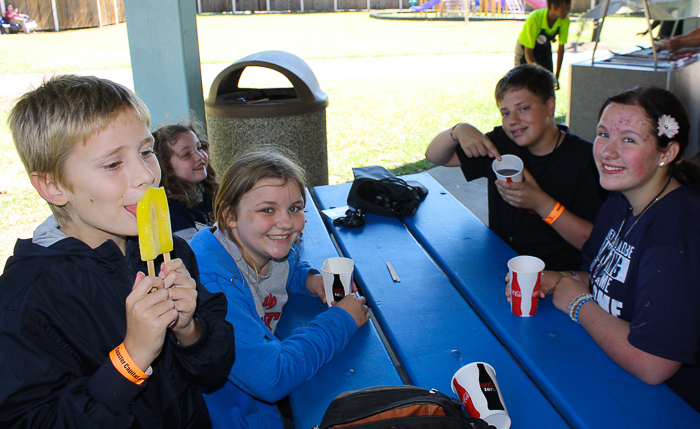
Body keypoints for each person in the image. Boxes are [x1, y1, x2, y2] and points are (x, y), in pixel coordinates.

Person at [0, 75, 236, 427]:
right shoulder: (26, 302)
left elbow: (213, 373)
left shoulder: (170, 255)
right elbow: (33, 419)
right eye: (113, 164)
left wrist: (189, 329)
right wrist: (132, 358)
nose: (146, 175)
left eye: (145, 152)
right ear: (52, 184)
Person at [528, 87, 700, 412]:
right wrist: (560, 277)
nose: (606, 151)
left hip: (671, 404)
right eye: (603, 134)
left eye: (629, 139)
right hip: (611, 370)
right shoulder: (622, 199)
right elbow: (614, 276)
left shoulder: (674, 237)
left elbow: (654, 365)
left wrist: (579, 303)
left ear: (667, 152)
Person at [189, 150, 370, 428]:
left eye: (295, 208)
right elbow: (272, 378)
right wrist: (342, 320)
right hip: (232, 414)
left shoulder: (264, 246)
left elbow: (288, 264)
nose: (286, 223)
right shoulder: (212, 285)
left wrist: (309, 279)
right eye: (267, 210)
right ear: (230, 215)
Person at [426, 64, 606, 271]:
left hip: (555, 275)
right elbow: (436, 156)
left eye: (523, 108)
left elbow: (594, 244)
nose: (513, 121)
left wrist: (540, 203)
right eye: (505, 113)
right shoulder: (500, 145)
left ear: (550, 107)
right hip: (500, 262)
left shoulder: (586, 160)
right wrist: (458, 130)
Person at [153, 119, 217, 241]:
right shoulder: (171, 211)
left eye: (199, 148)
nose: (199, 156)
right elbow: (194, 252)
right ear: (166, 167)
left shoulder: (208, 190)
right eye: (186, 154)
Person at [514, 0, 572, 89]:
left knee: (547, 84)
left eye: (569, 8)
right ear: (554, 7)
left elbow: (561, 49)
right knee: (523, 83)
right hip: (525, 51)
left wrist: (556, 76)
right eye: (566, 9)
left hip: (544, 49)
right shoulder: (534, 18)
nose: (568, 12)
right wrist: (539, 76)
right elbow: (528, 53)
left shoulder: (564, 21)